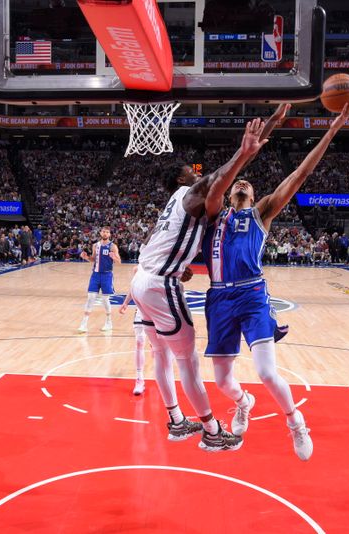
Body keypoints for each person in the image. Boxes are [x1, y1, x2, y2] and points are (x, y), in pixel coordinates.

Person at [202, 102, 349, 461]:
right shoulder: (213, 211)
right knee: (223, 382)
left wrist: (331, 131)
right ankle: (244, 402)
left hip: (252, 295)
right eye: (237, 182)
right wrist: (267, 126)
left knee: (267, 371)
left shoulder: (262, 213)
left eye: (247, 184)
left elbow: (299, 174)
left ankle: (295, 422)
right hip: (219, 298)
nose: (241, 183)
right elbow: (232, 169)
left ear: (255, 197)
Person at [130, 113, 276, 452]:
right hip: (159, 285)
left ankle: (177, 421)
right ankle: (211, 431)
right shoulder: (190, 192)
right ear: (182, 176)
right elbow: (220, 177)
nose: (196, 172)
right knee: (188, 362)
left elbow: (165, 244)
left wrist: (180, 267)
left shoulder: (171, 205)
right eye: (191, 170)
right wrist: (245, 151)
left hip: (142, 278)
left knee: (161, 355)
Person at [78, 227, 121, 333]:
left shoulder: (112, 246)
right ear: (100, 233)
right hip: (95, 275)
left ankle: (108, 322)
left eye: (107, 232)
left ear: (109, 234)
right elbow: (93, 259)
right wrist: (86, 257)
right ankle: (84, 324)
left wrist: (113, 257)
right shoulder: (95, 245)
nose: (105, 233)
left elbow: (119, 261)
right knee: (90, 297)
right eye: (103, 231)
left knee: (105, 299)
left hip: (107, 275)